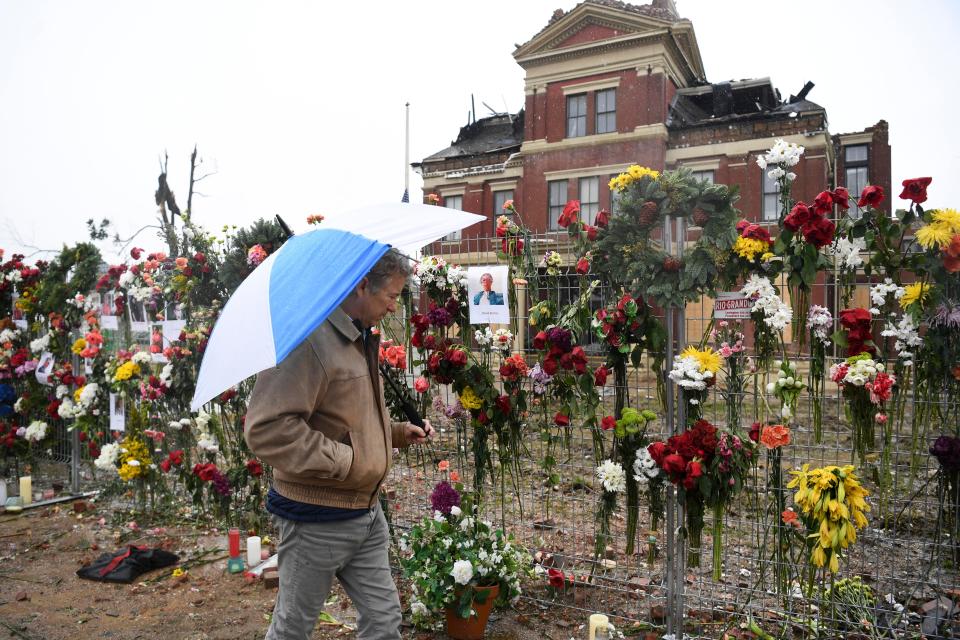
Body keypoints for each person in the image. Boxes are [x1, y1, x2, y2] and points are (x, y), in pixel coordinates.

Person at [245, 249, 433, 640]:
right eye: (392, 296)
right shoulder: (308, 342)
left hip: (365, 513)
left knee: (384, 622)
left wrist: (396, 433)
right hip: (316, 518)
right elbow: (267, 428)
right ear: (363, 285)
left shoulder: (357, 336)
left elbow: (346, 416)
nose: (394, 306)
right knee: (293, 628)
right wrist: (348, 461)